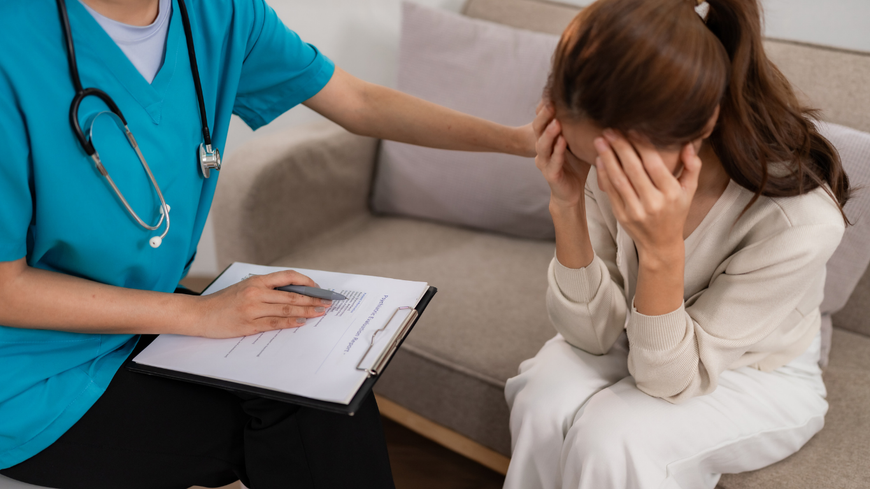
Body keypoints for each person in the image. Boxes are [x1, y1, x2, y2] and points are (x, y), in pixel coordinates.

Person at [0, 0, 535, 487]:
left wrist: (518, 141)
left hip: (134, 323)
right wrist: (201, 315)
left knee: (323, 390)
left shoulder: (216, 14)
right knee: (302, 430)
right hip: (26, 374)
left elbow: (359, 101)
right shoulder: (13, 42)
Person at [506, 0, 851, 487]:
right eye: (594, 161)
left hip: (756, 369)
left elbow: (668, 379)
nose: (606, 179)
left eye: (622, 165)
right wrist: (567, 205)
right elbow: (591, 334)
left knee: (614, 438)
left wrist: (662, 251)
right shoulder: (600, 157)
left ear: (704, 124)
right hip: (641, 333)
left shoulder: (800, 222)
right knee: (542, 399)